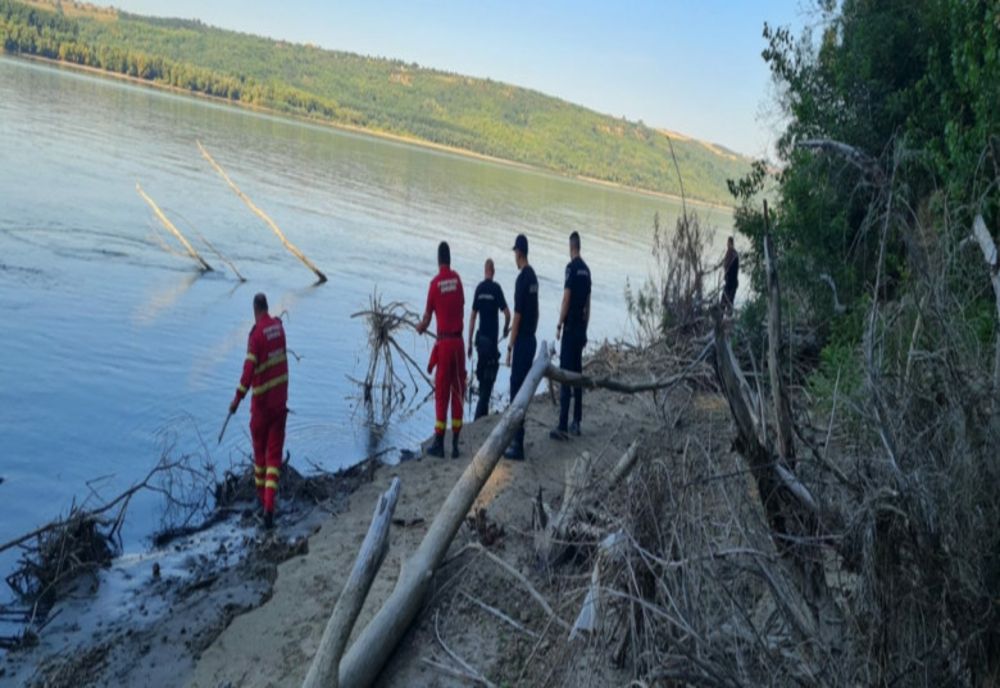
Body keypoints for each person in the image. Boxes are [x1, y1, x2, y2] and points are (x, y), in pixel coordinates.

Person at [229, 293, 289, 530]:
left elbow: (248, 371)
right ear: (268, 307)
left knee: (260, 459)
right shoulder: (279, 329)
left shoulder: (255, 336)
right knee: (274, 458)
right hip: (280, 404)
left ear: (255, 310)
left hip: (262, 407)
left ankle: (260, 500)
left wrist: (236, 400)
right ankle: (269, 508)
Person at [417, 241, 466, 458]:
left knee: (442, 394)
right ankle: (455, 444)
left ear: (438, 261)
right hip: (459, 344)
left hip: (444, 344)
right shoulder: (457, 280)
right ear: (450, 259)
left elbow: (427, 318)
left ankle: (439, 442)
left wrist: (420, 327)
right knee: (458, 392)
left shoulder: (435, 284)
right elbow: (462, 306)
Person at [551, 231, 591, 440]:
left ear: (571, 247)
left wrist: (559, 324)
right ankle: (577, 421)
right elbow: (588, 304)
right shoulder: (587, 270)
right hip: (581, 329)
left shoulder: (571, 269)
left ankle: (562, 425)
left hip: (570, 327)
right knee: (577, 375)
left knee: (565, 376)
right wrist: (585, 329)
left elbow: (566, 298)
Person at [504, 234, 539, 461]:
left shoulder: (521, 279)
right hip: (531, 337)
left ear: (519, 253)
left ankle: (517, 443)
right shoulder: (534, 277)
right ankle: (518, 440)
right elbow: (534, 312)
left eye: (515, 253)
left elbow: (517, 315)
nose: (515, 257)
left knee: (516, 390)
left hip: (523, 341)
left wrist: (510, 346)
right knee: (523, 389)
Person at [468, 258, 511, 420]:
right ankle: (479, 418)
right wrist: (506, 329)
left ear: (484, 270)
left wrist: (469, 343)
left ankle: (481, 416)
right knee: (488, 382)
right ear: (493, 271)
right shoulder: (496, 289)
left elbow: (472, 317)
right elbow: (507, 313)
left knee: (482, 379)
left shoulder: (479, 289)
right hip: (492, 344)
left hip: (480, 343)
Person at [720, 236, 739, 315]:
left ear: (730, 243)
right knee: (728, 301)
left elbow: (727, 266)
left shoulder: (732, 253)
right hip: (732, 281)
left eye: (728, 243)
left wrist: (726, 274)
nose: (727, 244)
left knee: (726, 301)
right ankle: (725, 318)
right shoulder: (733, 253)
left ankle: (723, 319)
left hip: (730, 282)